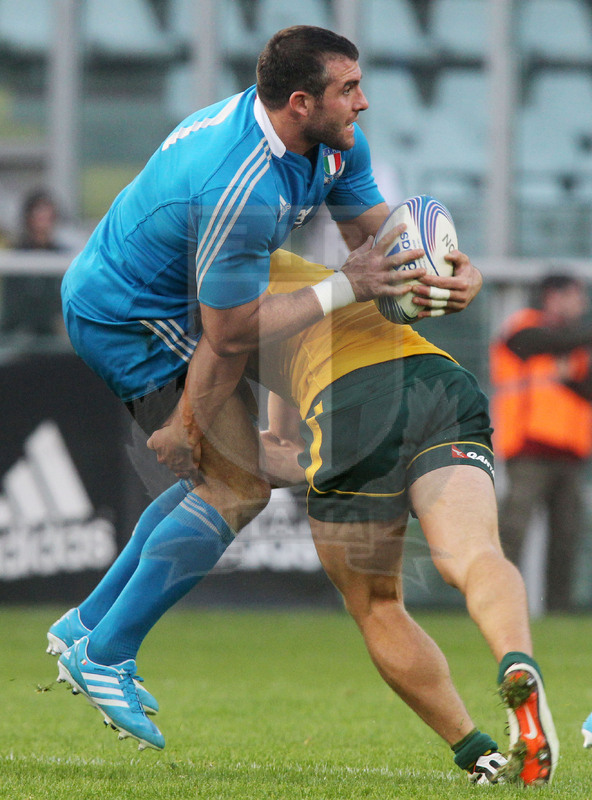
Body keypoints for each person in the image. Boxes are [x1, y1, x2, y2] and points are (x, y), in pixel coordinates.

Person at [48, 27, 481, 753]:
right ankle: (107, 651)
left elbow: (376, 245)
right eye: (348, 90)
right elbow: (235, 332)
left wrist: (446, 278)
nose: (364, 101)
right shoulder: (236, 183)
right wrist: (348, 288)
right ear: (300, 102)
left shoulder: (332, 140)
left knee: (235, 474)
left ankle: (87, 625)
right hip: (127, 314)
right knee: (239, 483)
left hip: (188, 303)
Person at [254, 250, 558, 785]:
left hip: (348, 404)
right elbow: (286, 448)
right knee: (474, 552)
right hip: (437, 383)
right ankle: (517, 663)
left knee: (376, 604)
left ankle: (478, 752)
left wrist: (205, 455)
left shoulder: (209, 298)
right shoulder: (296, 266)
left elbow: (272, 450)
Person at [490, 273, 592, 614]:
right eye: (575, 296)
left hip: (570, 454)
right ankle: (496, 604)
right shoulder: (524, 326)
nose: (581, 304)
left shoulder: (576, 342)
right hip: (528, 450)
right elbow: (544, 344)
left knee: (566, 535)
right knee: (513, 529)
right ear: (553, 296)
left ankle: (558, 611)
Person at [1, 189, 68, 337]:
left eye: (47, 213)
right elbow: (12, 307)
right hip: (21, 338)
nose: (43, 218)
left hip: (53, 339)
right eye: (38, 212)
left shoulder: (62, 256)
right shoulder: (16, 257)